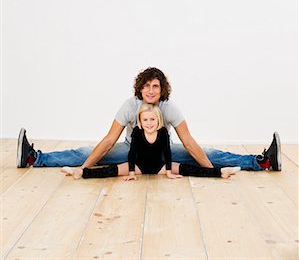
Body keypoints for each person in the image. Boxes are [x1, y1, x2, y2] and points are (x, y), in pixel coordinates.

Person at [17, 67, 282, 176]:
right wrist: (84, 169)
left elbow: (188, 141)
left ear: (161, 89)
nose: (151, 91)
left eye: (156, 86)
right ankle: (34, 159)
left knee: (210, 152)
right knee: (85, 152)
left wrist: (210, 173)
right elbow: (110, 139)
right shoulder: (130, 105)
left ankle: (261, 162)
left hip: (163, 155)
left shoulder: (169, 107)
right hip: (134, 152)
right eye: (147, 86)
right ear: (140, 88)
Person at [61, 103, 241, 180]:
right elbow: (132, 153)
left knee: (189, 169)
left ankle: (220, 173)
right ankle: (81, 173)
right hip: (139, 166)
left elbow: (168, 153)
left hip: (160, 166)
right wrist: (131, 172)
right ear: (140, 121)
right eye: (145, 120)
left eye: (152, 120)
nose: (149, 123)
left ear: (159, 120)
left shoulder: (163, 133)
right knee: (110, 171)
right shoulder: (138, 134)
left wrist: (169, 171)